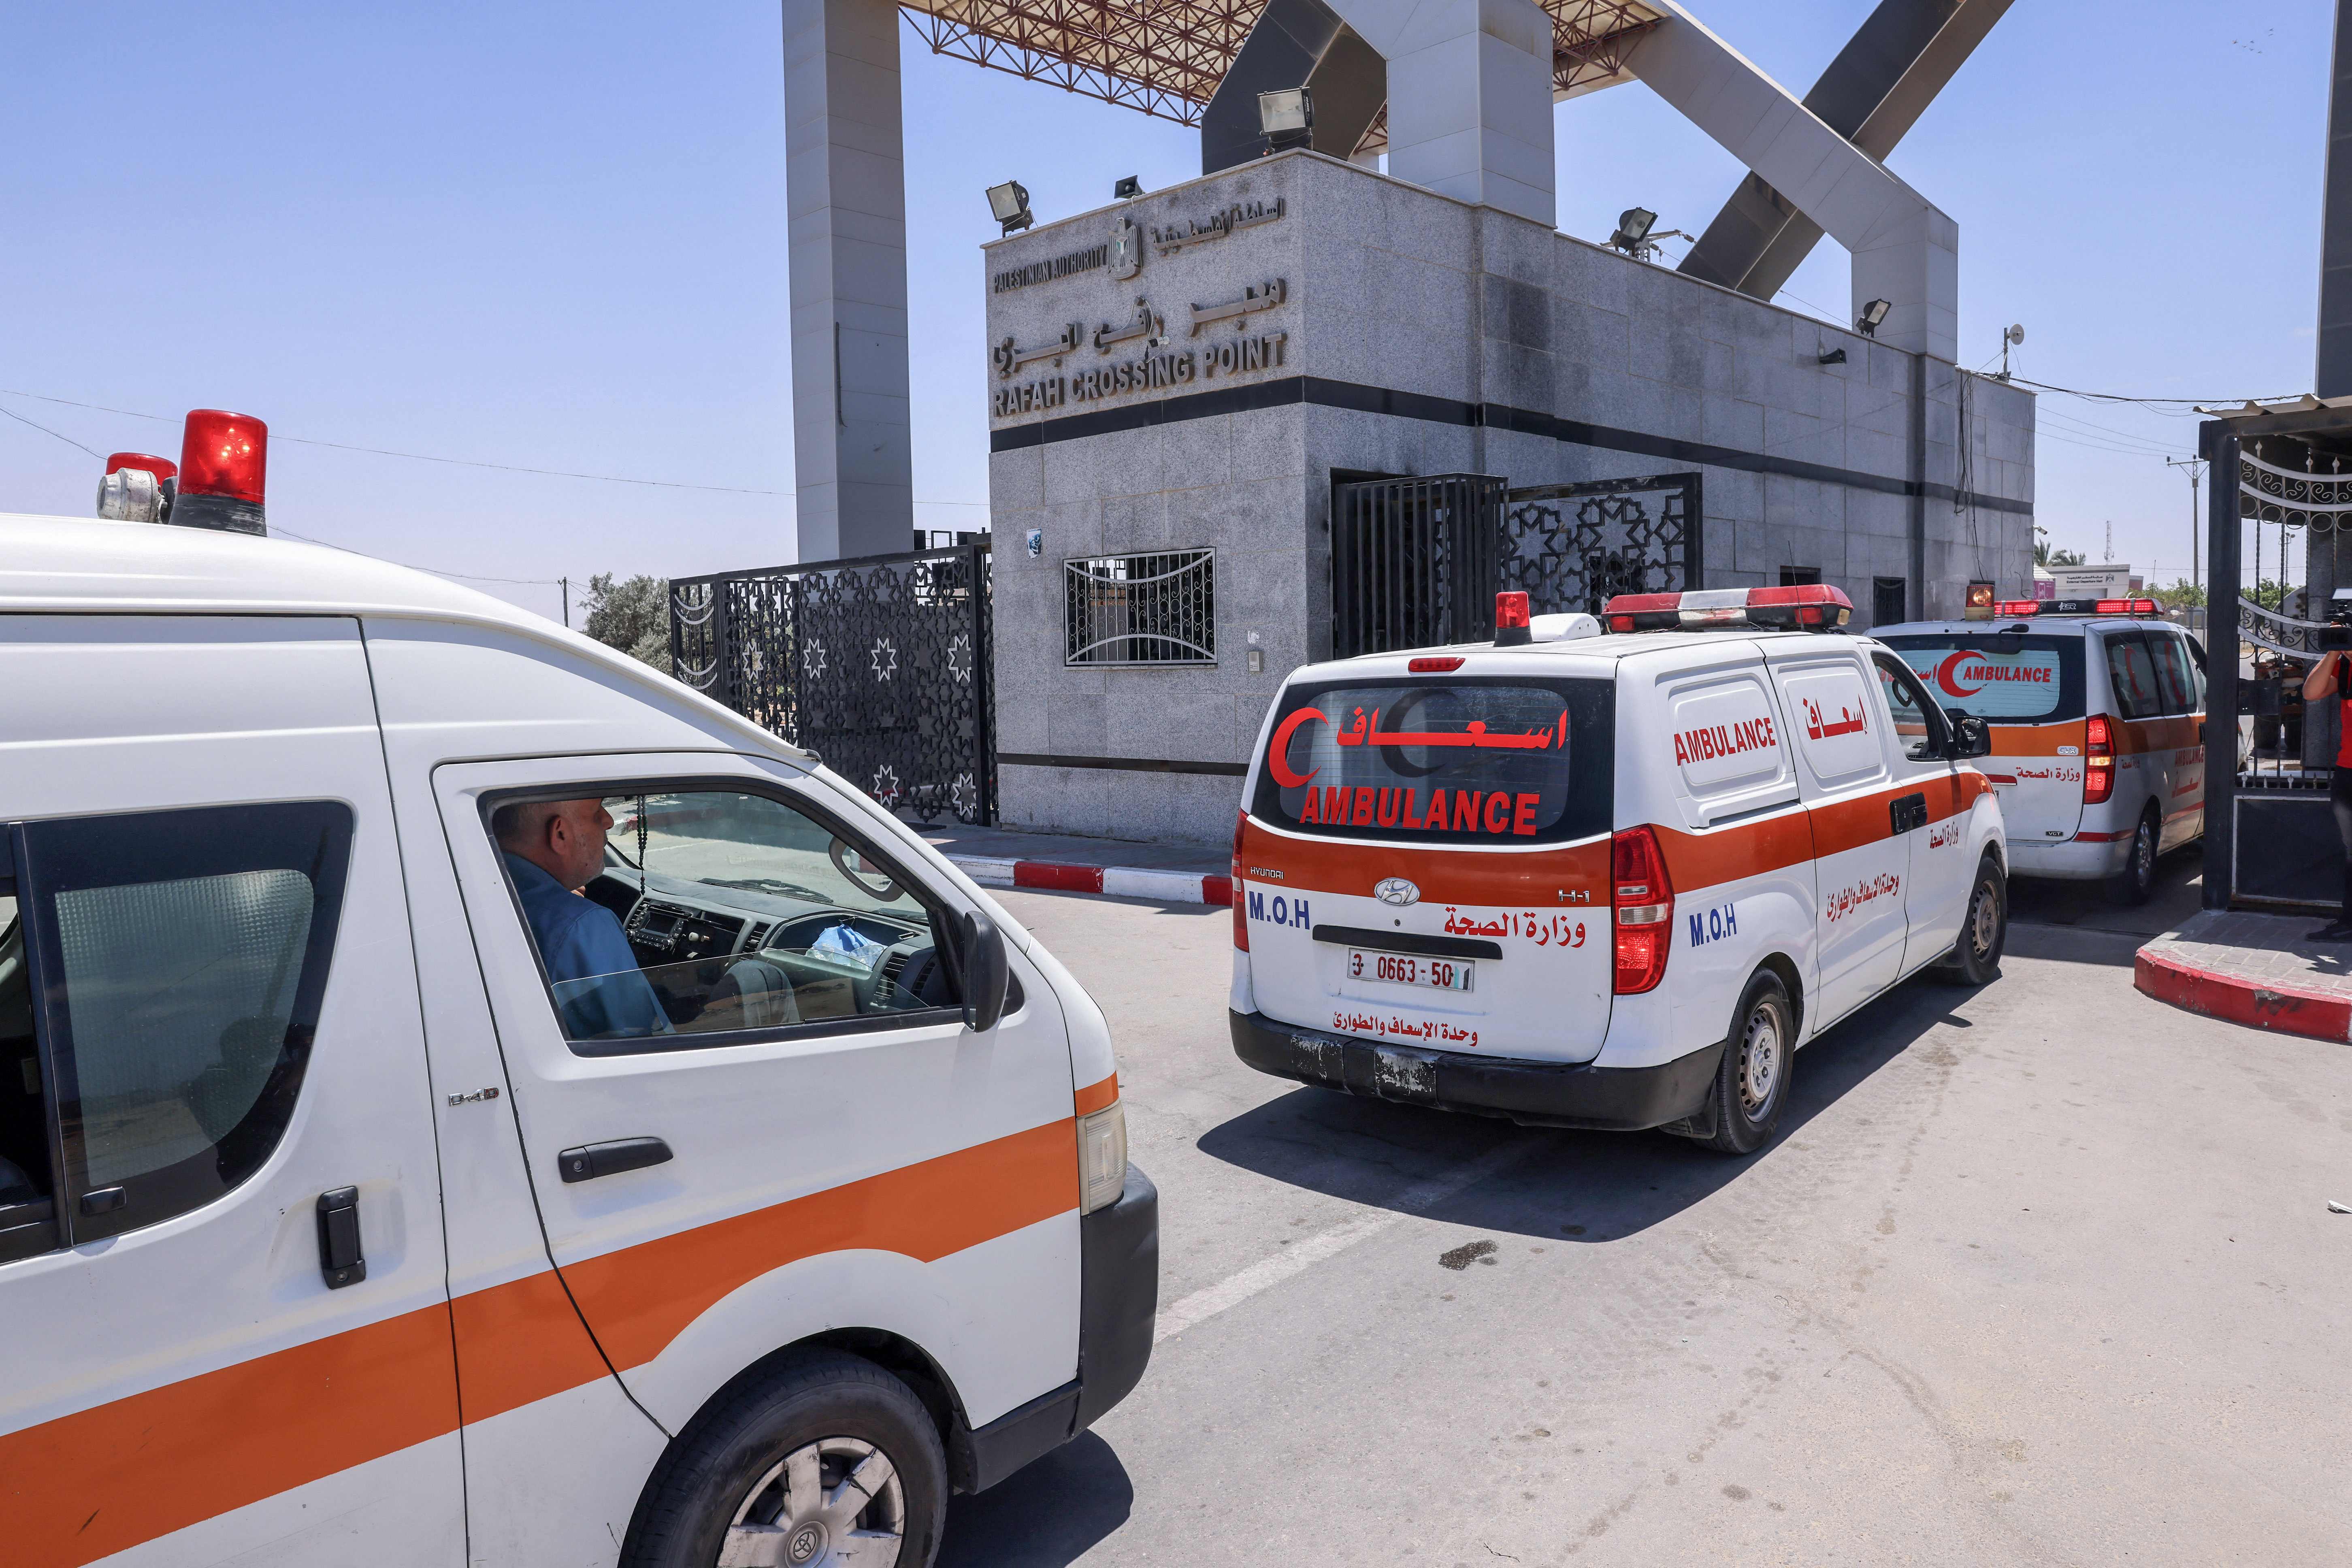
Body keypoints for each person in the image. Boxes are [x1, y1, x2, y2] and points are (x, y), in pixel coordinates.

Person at [494, 797, 671, 1038]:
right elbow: (644, 1046)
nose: (608, 820)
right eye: (596, 810)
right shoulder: (581, 926)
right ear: (561, 834)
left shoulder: (485, 892)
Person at [2302, 650, 2352, 941]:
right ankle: (2349, 920)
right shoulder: (2344, 667)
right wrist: (2335, 650)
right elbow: (2311, 692)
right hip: (2348, 769)